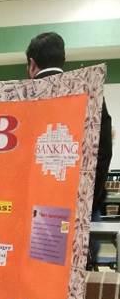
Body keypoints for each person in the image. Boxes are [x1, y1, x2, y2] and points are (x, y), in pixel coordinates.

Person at [26, 32, 113, 230]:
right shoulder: (88, 92)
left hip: (33, 208)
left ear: (31, 64)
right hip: (76, 207)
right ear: (63, 59)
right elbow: (103, 152)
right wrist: (86, 201)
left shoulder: (22, 96)